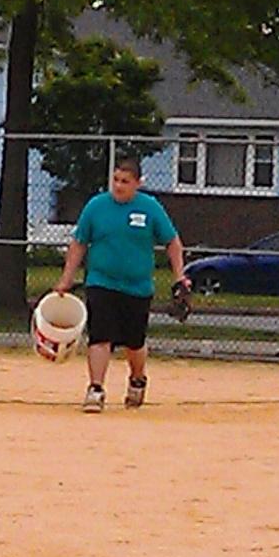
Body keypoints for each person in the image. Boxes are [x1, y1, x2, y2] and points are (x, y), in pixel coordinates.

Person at [54, 157, 189, 413]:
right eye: (115, 180)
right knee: (100, 337)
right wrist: (66, 278)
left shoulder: (150, 208)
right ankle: (95, 389)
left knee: (134, 342)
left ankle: (137, 379)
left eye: (125, 182)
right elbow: (79, 242)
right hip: (101, 282)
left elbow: (172, 241)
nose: (118, 186)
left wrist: (179, 276)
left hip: (137, 287)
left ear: (138, 183)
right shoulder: (96, 206)